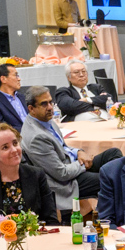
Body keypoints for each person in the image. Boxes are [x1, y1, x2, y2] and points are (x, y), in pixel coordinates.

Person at [19, 84, 100, 218]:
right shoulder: (36, 137)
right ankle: (111, 218)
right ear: (31, 109)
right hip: (64, 183)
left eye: (50, 102)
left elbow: (64, 147)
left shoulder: (46, 121)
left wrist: (79, 152)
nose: (50, 107)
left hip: (71, 165)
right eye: (44, 104)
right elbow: (61, 173)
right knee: (107, 178)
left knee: (113, 155)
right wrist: (83, 164)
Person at [0, 122, 56, 223]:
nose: (14, 150)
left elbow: (51, 219)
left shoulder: (37, 175)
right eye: (5, 147)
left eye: (15, 143)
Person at [0, 62, 28, 132]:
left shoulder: (23, 97)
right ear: (3, 79)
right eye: (16, 75)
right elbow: (1, 129)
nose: (19, 79)